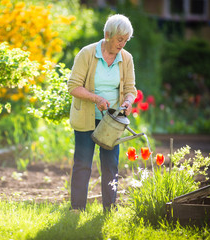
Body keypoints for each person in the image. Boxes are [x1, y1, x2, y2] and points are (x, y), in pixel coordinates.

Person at [67, 14, 137, 212]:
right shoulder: (87, 54)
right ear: (107, 35)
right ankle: (77, 208)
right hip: (86, 119)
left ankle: (110, 208)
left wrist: (128, 101)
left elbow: (131, 89)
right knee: (82, 165)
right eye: (119, 39)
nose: (122, 44)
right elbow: (73, 86)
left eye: (125, 40)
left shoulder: (126, 58)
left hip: (111, 121)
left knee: (111, 165)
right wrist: (96, 99)